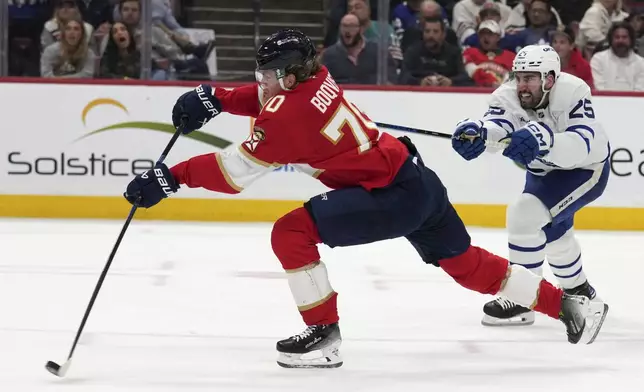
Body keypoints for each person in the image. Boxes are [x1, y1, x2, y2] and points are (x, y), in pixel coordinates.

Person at [123, 30, 608, 369]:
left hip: (388, 196)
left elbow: (232, 173)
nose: (262, 79)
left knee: (289, 232)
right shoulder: (317, 77)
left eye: (267, 73)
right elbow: (271, 100)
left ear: (290, 76)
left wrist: (169, 178)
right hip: (416, 179)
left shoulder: (288, 118)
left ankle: (324, 336)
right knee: (464, 264)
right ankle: (569, 306)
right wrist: (218, 97)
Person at [452, 44, 610, 327]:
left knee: (524, 216)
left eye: (530, 78)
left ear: (549, 79)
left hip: (585, 170)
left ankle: (523, 299)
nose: (522, 85)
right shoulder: (507, 94)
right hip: (543, 173)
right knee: (554, 233)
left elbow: (584, 143)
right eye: (519, 76)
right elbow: (498, 125)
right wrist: (479, 133)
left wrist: (544, 139)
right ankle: (580, 292)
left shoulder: (573, 91)